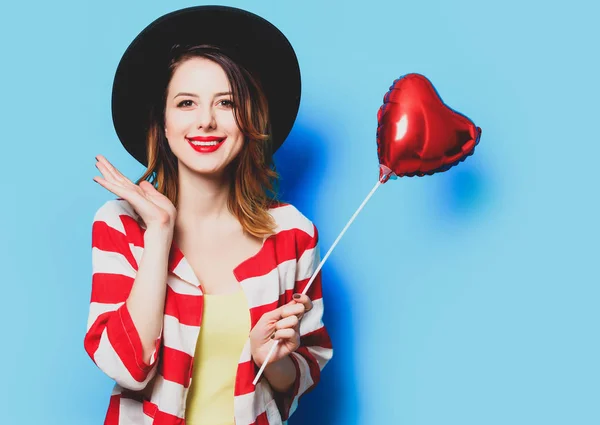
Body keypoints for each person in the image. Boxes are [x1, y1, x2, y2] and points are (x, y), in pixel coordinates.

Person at [83, 6, 333, 425]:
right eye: (186, 103)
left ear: (249, 118)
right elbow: (127, 368)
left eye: (227, 103)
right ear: (162, 122)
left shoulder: (293, 233)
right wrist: (160, 232)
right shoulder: (120, 225)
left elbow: (300, 374)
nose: (206, 121)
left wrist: (268, 356)